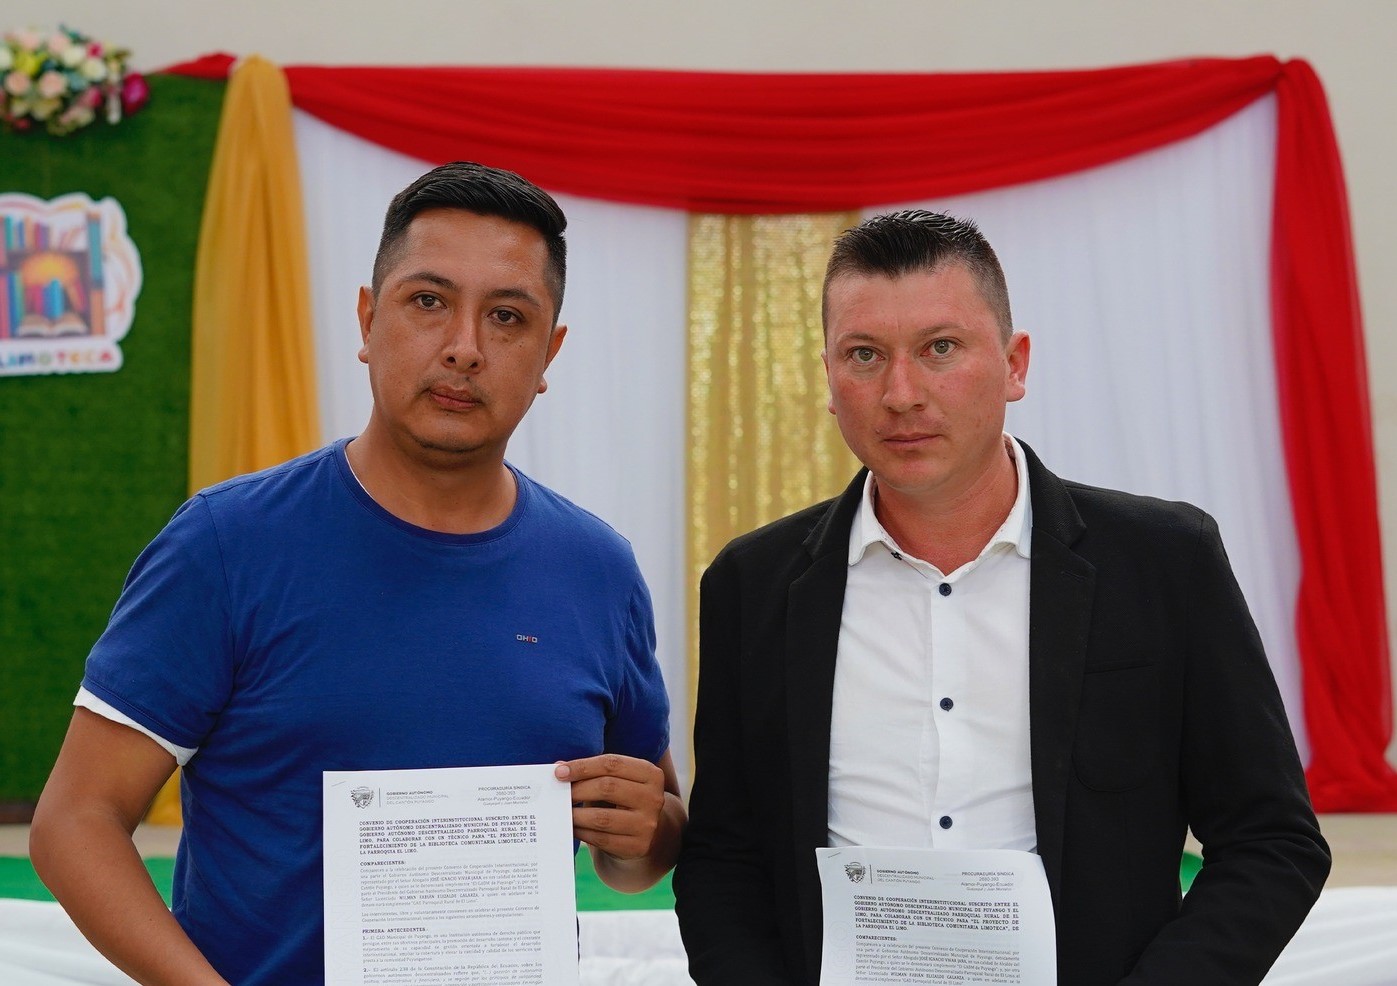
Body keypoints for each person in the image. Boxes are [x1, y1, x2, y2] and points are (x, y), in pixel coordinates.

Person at [30, 161, 686, 985]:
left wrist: (651, 835)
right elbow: (75, 821)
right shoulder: (226, 544)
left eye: (507, 317)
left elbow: (640, 845)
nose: (464, 347)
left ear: (549, 351)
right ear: (368, 319)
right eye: (428, 301)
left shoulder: (598, 570)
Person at [673, 210, 1329, 985]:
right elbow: (723, 858)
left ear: (1014, 364)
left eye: (939, 348)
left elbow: (1270, 841)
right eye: (864, 355)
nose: (900, 393)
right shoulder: (753, 585)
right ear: (828, 378)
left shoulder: (1162, 561)